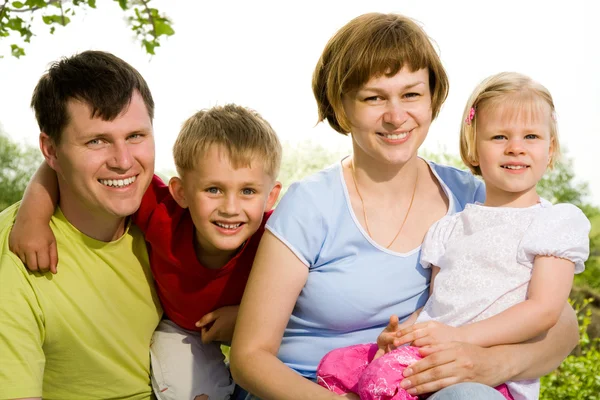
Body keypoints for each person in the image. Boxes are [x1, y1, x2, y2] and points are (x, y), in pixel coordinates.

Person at [229, 13, 580, 400]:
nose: (396, 116)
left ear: (433, 99)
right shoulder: (311, 205)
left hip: (418, 388)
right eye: (374, 97)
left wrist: (496, 365)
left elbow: (561, 321)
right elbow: (249, 358)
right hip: (315, 388)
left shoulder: (475, 199)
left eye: (411, 94)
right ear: (342, 107)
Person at [315, 72, 591, 400]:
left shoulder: (554, 222)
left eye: (531, 136)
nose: (516, 148)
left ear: (551, 150)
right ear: (472, 148)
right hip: (433, 355)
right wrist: (404, 333)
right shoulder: (449, 228)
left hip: (486, 376)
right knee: (346, 370)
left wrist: (460, 337)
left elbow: (544, 310)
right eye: (499, 137)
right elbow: (438, 304)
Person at [9, 104, 283, 400]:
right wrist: (33, 218)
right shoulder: (162, 213)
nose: (230, 208)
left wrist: (247, 318)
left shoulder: (277, 239)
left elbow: (311, 302)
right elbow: (58, 164)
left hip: (262, 326)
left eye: (248, 191)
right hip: (181, 330)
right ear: (181, 192)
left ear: (271, 196)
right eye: (213, 190)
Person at [0, 50, 162, 399]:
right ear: (51, 150)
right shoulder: (15, 254)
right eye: (96, 141)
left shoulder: (170, 215)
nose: (123, 162)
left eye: (135, 136)